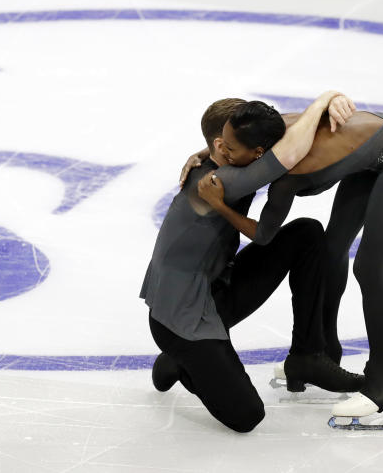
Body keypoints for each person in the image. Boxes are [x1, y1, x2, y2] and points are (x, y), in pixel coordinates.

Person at [140, 91, 363, 433]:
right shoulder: (219, 180)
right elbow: (288, 152)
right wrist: (324, 100)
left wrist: (205, 150)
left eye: (230, 143)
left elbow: (276, 135)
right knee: (247, 416)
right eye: (220, 143)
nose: (222, 148)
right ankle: (179, 361)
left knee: (306, 234)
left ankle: (307, 353)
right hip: (180, 321)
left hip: (214, 291)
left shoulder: (223, 161)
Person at [196, 106, 383, 429]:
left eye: (229, 149)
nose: (223, 155)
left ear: (258, 152)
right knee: (331, 250)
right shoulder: (268, 134)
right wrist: (199, 153)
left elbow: (264, 235)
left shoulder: (287, 176)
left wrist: (219, 205)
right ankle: (319, 356)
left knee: (368, 266)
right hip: (371, 151)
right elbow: (236, 144)